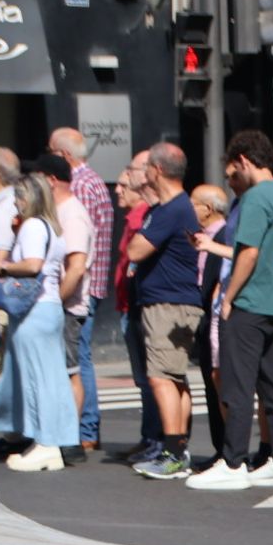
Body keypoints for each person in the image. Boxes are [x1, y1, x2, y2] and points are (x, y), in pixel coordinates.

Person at [188, 130, 273, 491]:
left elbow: (248, 252)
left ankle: (233, 461)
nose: (232, 180)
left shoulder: (254, 199)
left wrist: (228, 297)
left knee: (237, 386)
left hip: (250, 303)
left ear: (244, 161)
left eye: (232, 171)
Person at [0, 173, 79, 471]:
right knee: (48, 377)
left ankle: (47, 445)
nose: (15, 204)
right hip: (48, 308)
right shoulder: (50, 226)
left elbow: (33, 264)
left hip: (34, 310)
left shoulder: (33, 226)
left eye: (19, 198)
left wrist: (2, 265)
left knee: (38, 379)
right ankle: (46, 441)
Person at [126, 143, 204, 481]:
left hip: (169, 305)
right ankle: (177, 447)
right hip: (172, 302)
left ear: (157, 170)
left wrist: (138, 243)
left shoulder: (172, 209)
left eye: (146, 169)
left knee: (161, 377)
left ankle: (173, 452)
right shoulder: (170, 207)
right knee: (173, 377)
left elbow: (136, 249)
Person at [49, 126, 114, 451]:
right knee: (79, 357)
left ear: (64, 155)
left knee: (78, 359)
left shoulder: (81, 186)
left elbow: (78, 247)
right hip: (91, 282)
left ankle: (86, 428)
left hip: (82, 287)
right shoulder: (93, 181)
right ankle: (86, 427)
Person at [33, 153, 94, 466]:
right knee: (59, 371)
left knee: (70, 370)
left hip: (66, 306)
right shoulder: (57, 211)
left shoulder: (71, 215)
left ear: (52, 180)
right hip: (58, 304)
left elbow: (76, 266)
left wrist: (56, 300)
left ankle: (69, 439)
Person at [114, 154, 162, 463]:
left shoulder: (145, 214)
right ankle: (150, 438)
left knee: (152, 378)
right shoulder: (136, 215)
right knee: (145, 380)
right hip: (128, 304)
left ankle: (158, 440)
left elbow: (136, 255)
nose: (119, 187)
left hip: (140, 305)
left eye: (128, 173)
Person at [190, 183, 230, 465]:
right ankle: (220, 449)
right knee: (209, 382)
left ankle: (229, 450)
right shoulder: (201, 237)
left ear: (209, 208)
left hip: (217, 315)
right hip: (204, 315)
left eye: (194, 203)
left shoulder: (224, 236)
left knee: (220, 382)